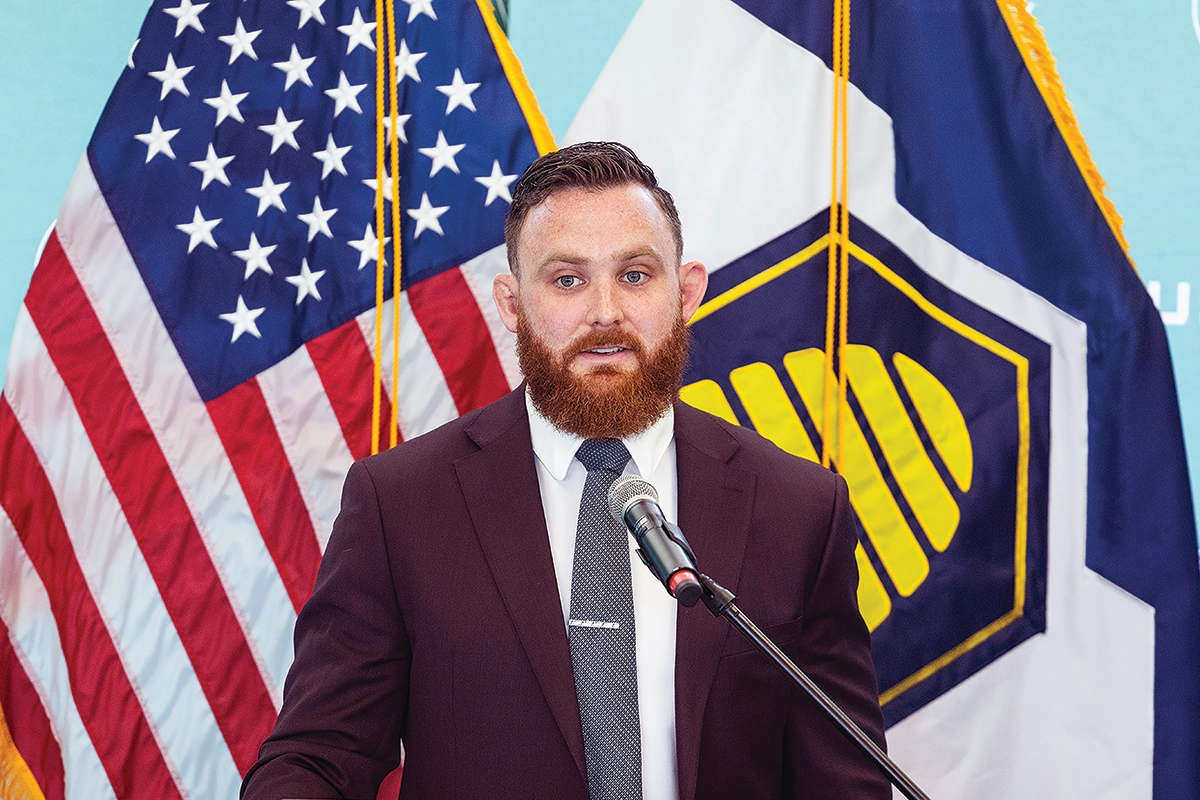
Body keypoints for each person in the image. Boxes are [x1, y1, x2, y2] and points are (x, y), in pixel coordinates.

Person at [241, 142, 889, 800]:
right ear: (512, 303)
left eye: (635, 274)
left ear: (686, 292)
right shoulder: (401, 504)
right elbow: (319, 757)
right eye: (568, 280)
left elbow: (847, 779)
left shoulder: (798, 509)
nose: (605, 311)